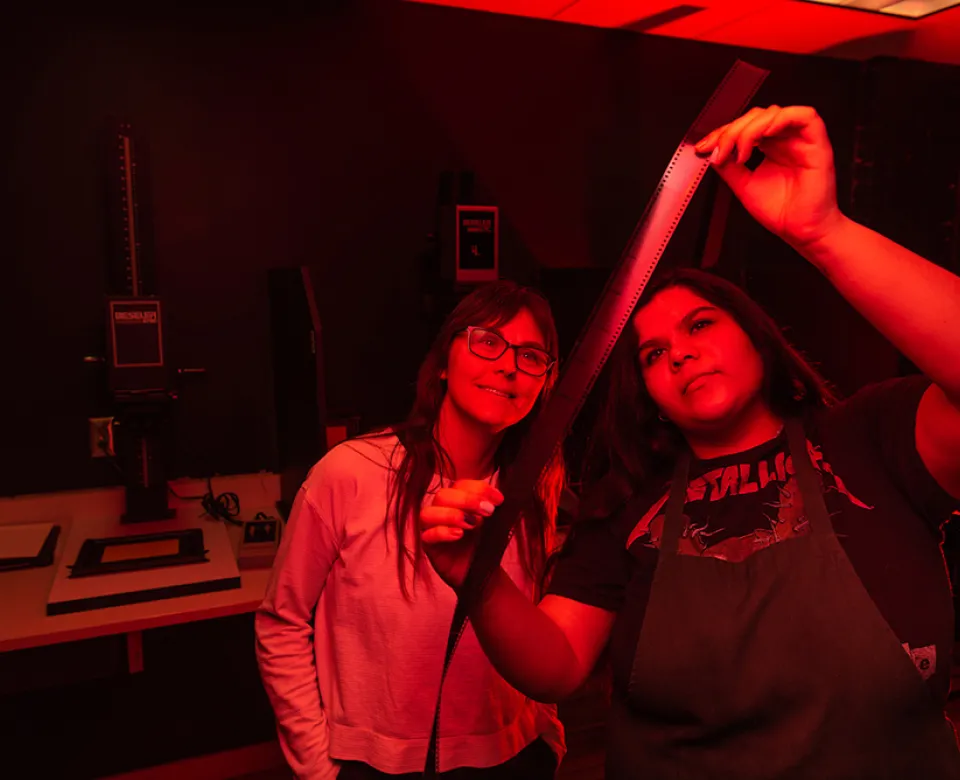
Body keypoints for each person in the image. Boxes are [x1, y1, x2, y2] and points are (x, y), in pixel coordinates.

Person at [420, 105, 960, 778]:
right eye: (651, 353)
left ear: (757, 336)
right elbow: (556, 665)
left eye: (701, 325)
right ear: (647, 391)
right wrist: (480, 580)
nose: (677, 354)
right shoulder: (626, 501)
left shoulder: (871, 437)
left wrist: (823, 232)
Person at [255, 281, 566, 779]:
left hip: (510, 758)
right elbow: (281, 622)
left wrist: (544, 731)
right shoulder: (351, 473)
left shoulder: (534, 492)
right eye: (488, 341)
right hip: (376, 764)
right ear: (444, 360)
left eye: (531, 355)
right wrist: (317, 767)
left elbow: (542, 633)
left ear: (544, 381)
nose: (508, 364)